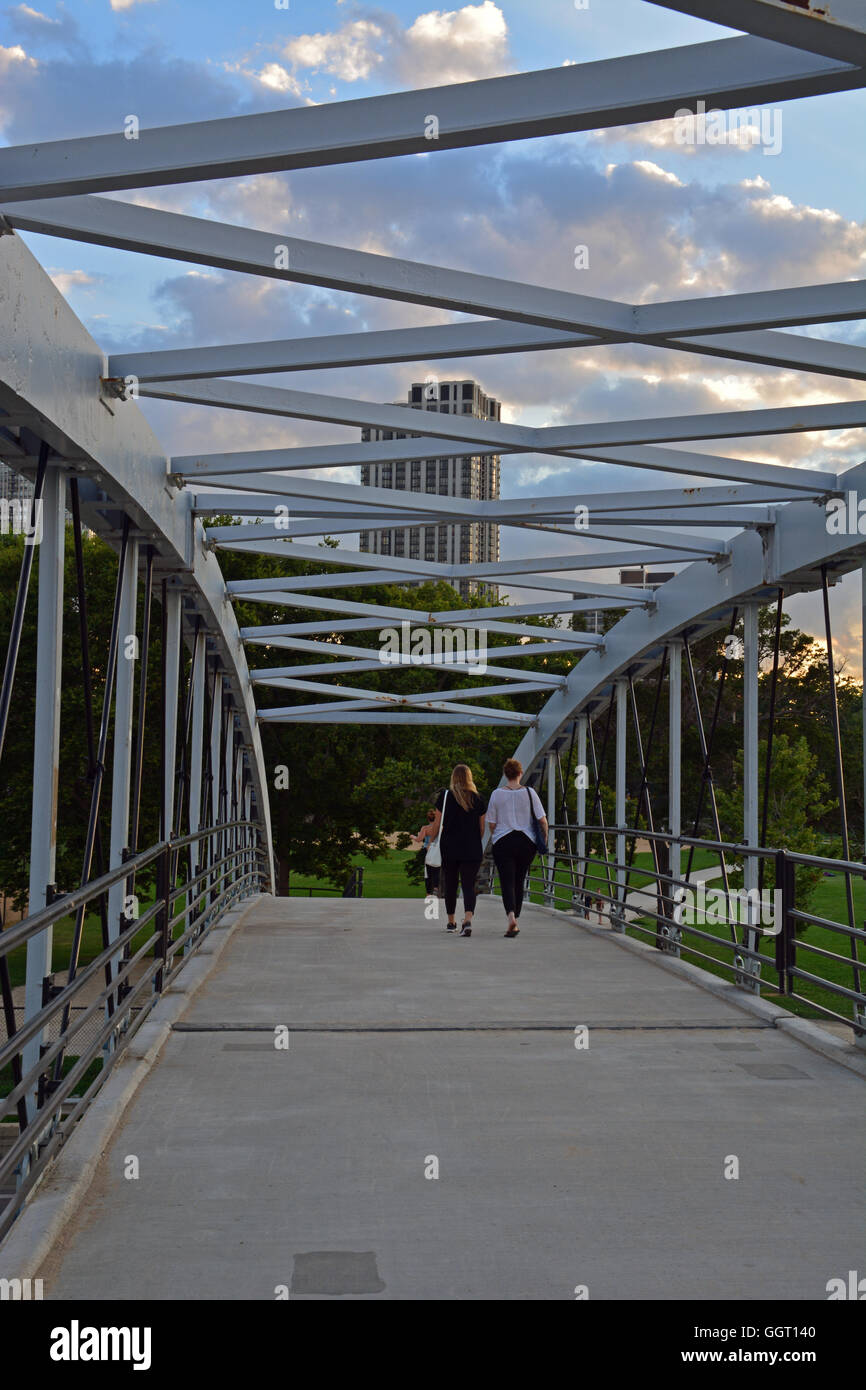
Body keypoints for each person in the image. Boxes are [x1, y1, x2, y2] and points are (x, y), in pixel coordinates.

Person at [486, 758, 548, 937]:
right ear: (520, 773)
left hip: (503, 841)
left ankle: (511, 916)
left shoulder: (496, 794)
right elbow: (542, 821)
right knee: (519, 879)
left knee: (506, 880)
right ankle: (517, 917)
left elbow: (491, 823)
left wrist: (496, 835)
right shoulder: (530, 793)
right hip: (526, 842)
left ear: (506, 774)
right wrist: (543, 838)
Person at [426, 764, 486, 936]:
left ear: (453, 777)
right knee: (468, 884)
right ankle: (467, 920)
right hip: (472, 847)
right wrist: (474, 841)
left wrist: (431, 841)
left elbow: (436, 825)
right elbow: (482, 828)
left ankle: (451, 921)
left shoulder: (445, 797)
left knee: (451, 884)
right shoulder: (478, 798)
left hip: (450, 847)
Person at [412, 808, 441, 898]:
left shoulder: (425, 828)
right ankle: (436, 888)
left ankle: (428, 892)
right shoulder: (440, 827)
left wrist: (412, 836)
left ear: (428, 818)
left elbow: (419, 839)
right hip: (437, 850)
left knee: (427, 872)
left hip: (427, 850)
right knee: (436, 869)